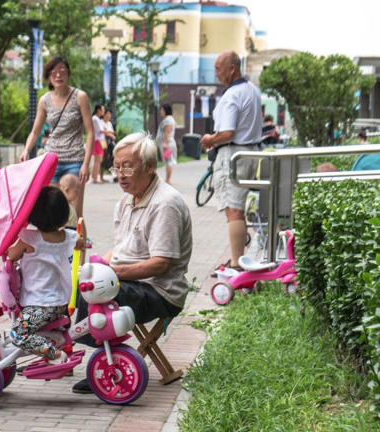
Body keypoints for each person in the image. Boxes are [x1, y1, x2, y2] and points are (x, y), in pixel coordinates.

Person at [71, 132, 193, 394]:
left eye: (128, 166)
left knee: (93, 294)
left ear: (149, 167)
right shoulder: (126, 201)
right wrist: (96, 265)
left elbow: (161, 264)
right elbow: (123, 247)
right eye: (117, 166)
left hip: (160, 291)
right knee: (75, 284)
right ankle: (96, 357)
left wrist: (111, 273)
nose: (120, 173)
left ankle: (106, 367)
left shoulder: (165, 204)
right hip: (134, 280)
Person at [19, 56, 95, 243]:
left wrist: (86, 164)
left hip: (75, 161)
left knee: (75, 214)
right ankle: (57, 259)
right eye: (54, 72)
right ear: (48, 77)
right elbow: (35, 131)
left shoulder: (80, 97)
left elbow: (90, 132)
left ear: (68, 73)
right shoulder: (44, 100)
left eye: (62, 71)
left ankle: (80, 264)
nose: (58, 75)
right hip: (51, 160)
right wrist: (26, 150)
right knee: (52, 213)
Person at [200, 51, 262, 273]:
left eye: (218, 68)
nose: (216, 73)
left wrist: (209, 139)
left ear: (232, 69)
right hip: (250, 153)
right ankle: (239, 258)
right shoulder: (253, 90)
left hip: (233, 154)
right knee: (238, 208)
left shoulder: (232, 95)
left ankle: (236, 263)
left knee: (233, 210)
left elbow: (227, 132)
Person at [7, 186, 78, 362]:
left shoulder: (28, 238)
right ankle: (59, 349)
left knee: (18, 334)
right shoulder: (69, 236)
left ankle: (56, 354)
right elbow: (82, 242)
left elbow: (11, 255)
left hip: (39, 305)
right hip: (61, 304)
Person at [156, 104, 177, 184]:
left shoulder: (168, 120)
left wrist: (165, 143)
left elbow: (167, 131)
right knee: (167, 161)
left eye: (162, 110)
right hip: (168, 143)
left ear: (166, 111)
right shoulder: (170, 119)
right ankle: (168, 178)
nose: (161, 112)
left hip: (167, 144)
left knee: (168, 161)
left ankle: (168, 179)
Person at [91, 104, 108, 183]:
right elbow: (100, 130)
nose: (103, 112)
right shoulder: (95, 118)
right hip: (98, 140)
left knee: (100, 160)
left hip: (101, 140)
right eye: (103, 110)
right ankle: (95, 178)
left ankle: (95, 177)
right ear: (98, 110)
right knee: (98, 160)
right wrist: (110, 132)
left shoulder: (98, 119)